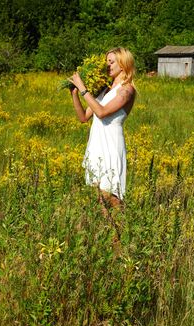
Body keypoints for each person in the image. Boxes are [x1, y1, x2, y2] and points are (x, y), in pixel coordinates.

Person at [69, 47, 136, 212]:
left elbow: (101, 112)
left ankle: (122, 232)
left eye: (111, 62)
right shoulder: (105, 89)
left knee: (111, 195)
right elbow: (84, 117)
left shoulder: (127, 90)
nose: (108, 65)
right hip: (97, 144)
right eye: (107, 62)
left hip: (111, 145)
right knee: (99, 195)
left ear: (123, 64)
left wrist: (83, 88)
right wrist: (75, 94)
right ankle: (112, 235)